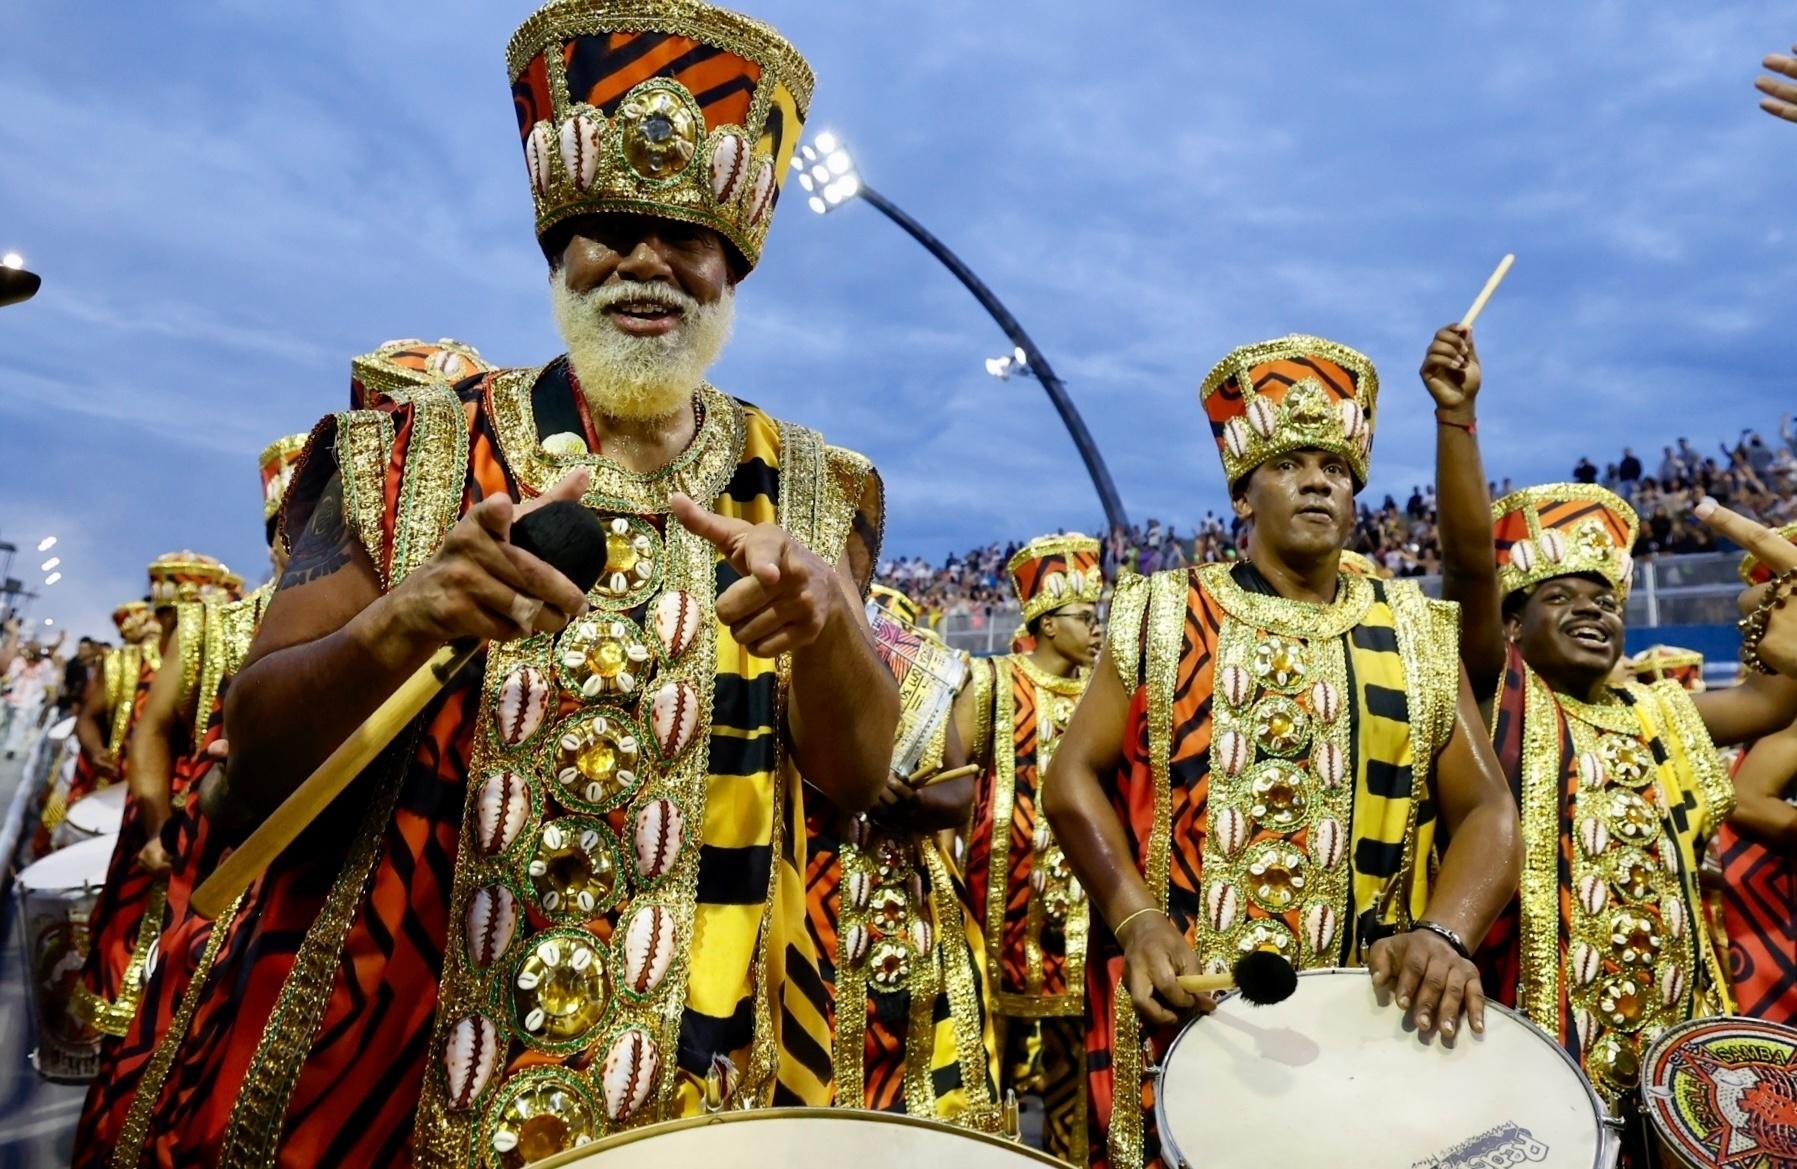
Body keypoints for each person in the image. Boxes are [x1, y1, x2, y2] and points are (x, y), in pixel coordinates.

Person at [121, 4, 897, 1163]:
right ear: (557, 249)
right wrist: (405, 618)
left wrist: (830, 632)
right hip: (392, 1065)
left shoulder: (819, 490)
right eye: (607, 228)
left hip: (699, 1082)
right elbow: (255, 756)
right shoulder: (399, 455)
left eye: (685, 234)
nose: (646, 260)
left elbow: (861, 772)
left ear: (734, 263)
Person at [1045, 335, 1521, 1169]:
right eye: (1289, 463)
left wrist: (1444, 935)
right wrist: (1136, 916)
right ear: (1242, 492)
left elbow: (1486, 808)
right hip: (1188, 1017)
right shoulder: (1164, 609)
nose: (1316, 479)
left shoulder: (1411, 627)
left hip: (1364, 1023)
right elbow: (1070, 777)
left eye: (1335, 468)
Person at [1419, 325, 1797, 1152]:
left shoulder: (1660, 710)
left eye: (1605, 596)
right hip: (1535, 1038)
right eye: (1563, 596)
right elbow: (1470, 571)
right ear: (1512, 624)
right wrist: (1457, 419)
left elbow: (1777, 695)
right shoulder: (1502, 702)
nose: (1594, 609)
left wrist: (1789, 578)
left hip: (1676, 1044)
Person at [801, 583, 999, 1128]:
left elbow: (960, 794)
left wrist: (902, 800)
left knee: (934, 1079)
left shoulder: (912, 658)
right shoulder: (786, 645)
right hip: (811, 892)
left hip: (915, 902)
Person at [953, 534, 1104, 1163]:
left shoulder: (1105, 692)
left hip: (1085, 913)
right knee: (994, 1054)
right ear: (1045, 622)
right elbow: (949, 779)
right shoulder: (992, 681)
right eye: (1085, 617)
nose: (1097, 630)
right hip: (1003, 904)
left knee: (1080, 1054)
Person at [71, 553, 232, 1039]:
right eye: (174, 611)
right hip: (140, 804)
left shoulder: (229, 636)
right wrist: (158, 829)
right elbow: (124, 729)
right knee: (126, 954)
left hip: (209, 822)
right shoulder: (126, 663)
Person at [2, 641, 57, 757]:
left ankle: (11, 748)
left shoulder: (45, 664)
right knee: (8, 722)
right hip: (14, 698)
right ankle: (5, 744)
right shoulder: (19, 661)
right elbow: (9, 677)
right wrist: (5, 686)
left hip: (32, 701)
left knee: (20, 723)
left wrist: (50, 696)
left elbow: (49, 682)